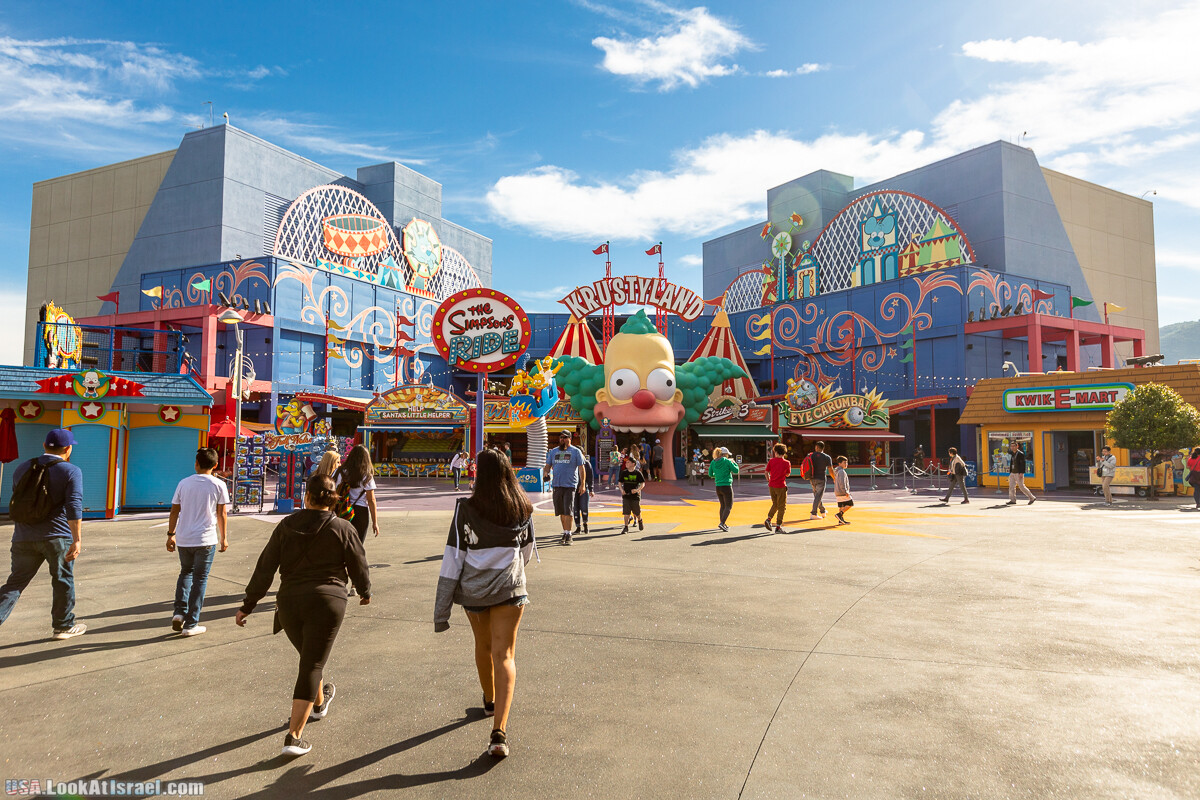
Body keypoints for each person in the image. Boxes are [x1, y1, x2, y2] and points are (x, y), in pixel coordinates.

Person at [237, 474, 371, 758]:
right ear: (334, 501)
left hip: (289, 604)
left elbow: (265, 567)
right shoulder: (343, 527)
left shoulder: (286, 526)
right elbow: (358, 563)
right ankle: (294, 736)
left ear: (307, 497)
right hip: (328, 601)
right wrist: (364, 591)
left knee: (310, 660)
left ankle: (320, 704)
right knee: (311, 664)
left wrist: (248, 604)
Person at [434, 448, 535, 759]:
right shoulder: (522, 507)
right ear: (507, 471)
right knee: (504, 654)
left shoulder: (466, 508)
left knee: (483, 646)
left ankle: (489, 700)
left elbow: (454, 556)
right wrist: (513, 572)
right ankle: (499, 731)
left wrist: (442, 607)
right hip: (510, 589)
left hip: (475, 591)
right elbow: (528, 549)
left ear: (479, 473)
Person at [0, 429, 86, 639]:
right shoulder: (71, 471)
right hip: (57, 536)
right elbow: (74, 507)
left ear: (44, 445)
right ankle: (63, 626)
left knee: (15, 583)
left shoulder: (22, 468)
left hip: (23, 536)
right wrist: (77, 539)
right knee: (62, 579)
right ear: (68, 449)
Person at [166, 447, 230, 636]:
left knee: (185, 573)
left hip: (184, 538)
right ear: (216, 465)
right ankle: (191, 623)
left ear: (196, 464)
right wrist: (224, 537)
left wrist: (171, 534)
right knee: (200, 579)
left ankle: (179, 613)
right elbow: (222, 513)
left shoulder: (184, 483)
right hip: (206, 539)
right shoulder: (219, 485)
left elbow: (174, 511)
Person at [336, 445, 379, 595]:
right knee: (357, 549)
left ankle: (340, 581)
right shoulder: (366, 475)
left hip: (343, 511)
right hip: (360, 513)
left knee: (342, 547)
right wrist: (375, 522)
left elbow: (335, 493)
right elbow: (371, 500)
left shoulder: (341, 472)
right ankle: (355, 585)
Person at [544, 430, 585, 546]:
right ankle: (565, 532)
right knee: (561, 511)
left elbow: (582, 469)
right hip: (557, 485)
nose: (562, 439)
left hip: (570, 485)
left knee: (568, 511)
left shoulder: (576, 452)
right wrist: (546, 473)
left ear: (570, 438)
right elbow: (547, 466)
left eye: (565, 437)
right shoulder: (553, 452)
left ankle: (569, 534)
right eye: (561, 437)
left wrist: (582, 484)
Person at [708, 447, 739, 532]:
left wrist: (718, 476)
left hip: (718, 486)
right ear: (725, 454)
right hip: (727, 486)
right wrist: (734, 462)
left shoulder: (713, 462)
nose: (728, 456)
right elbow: (736, 470)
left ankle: (723, 523)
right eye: (728, 454)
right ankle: (722, 523)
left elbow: (710, 474)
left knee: (722, 505)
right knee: (728, 506)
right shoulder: (727, 461)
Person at [765, 443, 791, 532]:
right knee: (782, 506)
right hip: (781, 486)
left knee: (775, 504)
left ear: (775, 452)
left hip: (771, 485)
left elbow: (766, 472)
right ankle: (778, 526)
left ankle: (768, 519)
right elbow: (788, 474)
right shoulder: (787, 463)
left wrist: (769, 480)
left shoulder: (771, 461)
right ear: (784, 453)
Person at [807, 441, 835, 520]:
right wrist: (834, 478)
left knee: (817, 496)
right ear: (823, 448)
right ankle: (813, 513)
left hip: (812, 478)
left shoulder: (810, 456)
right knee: (818, 496)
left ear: (816, 447)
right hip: (821, 478)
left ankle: (822, 511)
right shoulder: (827, 457)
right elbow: (830, 469)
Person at [618, 453, 646, 533]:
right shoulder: (624, 473)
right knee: (626, 512)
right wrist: (621, 490)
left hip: (635, 496)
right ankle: (626, 527)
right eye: (626, 462)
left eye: (628, 462)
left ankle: (640, 520)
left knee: (636, 512)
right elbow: (620, 482)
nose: (626, 463)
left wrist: (637, 490)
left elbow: (642, 483)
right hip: (626, 495)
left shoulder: (638, 473)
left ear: (633, 464)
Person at [573, 457, 595, 535]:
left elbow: (590, 477)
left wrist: (591, 489)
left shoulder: (586, 463)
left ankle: (585, 525)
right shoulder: (572, 462)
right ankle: (578, 527)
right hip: (573, 489)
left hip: (583, 489)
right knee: (575, 508)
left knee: (584, 507)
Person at [833, 455, 854, 525]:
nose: (846, 464)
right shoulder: (841, 471)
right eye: (844, 462)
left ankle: (840, 520)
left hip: (837, 491)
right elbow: (842, 482)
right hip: (842, 492)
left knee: (841, 506)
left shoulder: (836, 471)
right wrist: (845, 491)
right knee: (850, 504)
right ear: (840, 463)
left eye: (846, 462)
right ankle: (839, 514)